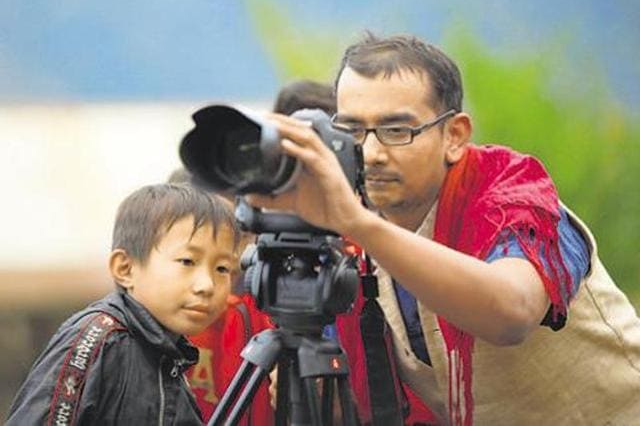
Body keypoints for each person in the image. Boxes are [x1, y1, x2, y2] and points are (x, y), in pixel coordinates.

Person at [245, 33, 640, 425]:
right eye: (352, 131)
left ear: (455, 136)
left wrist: (356, 222)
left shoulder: (511, 194)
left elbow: (512, 314)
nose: (371, 153)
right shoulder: (349, 224)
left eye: (397, 131)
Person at [6, 183, 239, 425]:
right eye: (187, 261)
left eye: (223, 268)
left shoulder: (169, 354)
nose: (207, 285)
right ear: (125, 268)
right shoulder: (101, 338)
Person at [167, 168, 274, 425]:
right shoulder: (154, 314)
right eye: (210, 233)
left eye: (241, 233)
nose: (232, 254)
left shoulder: (276, 315)